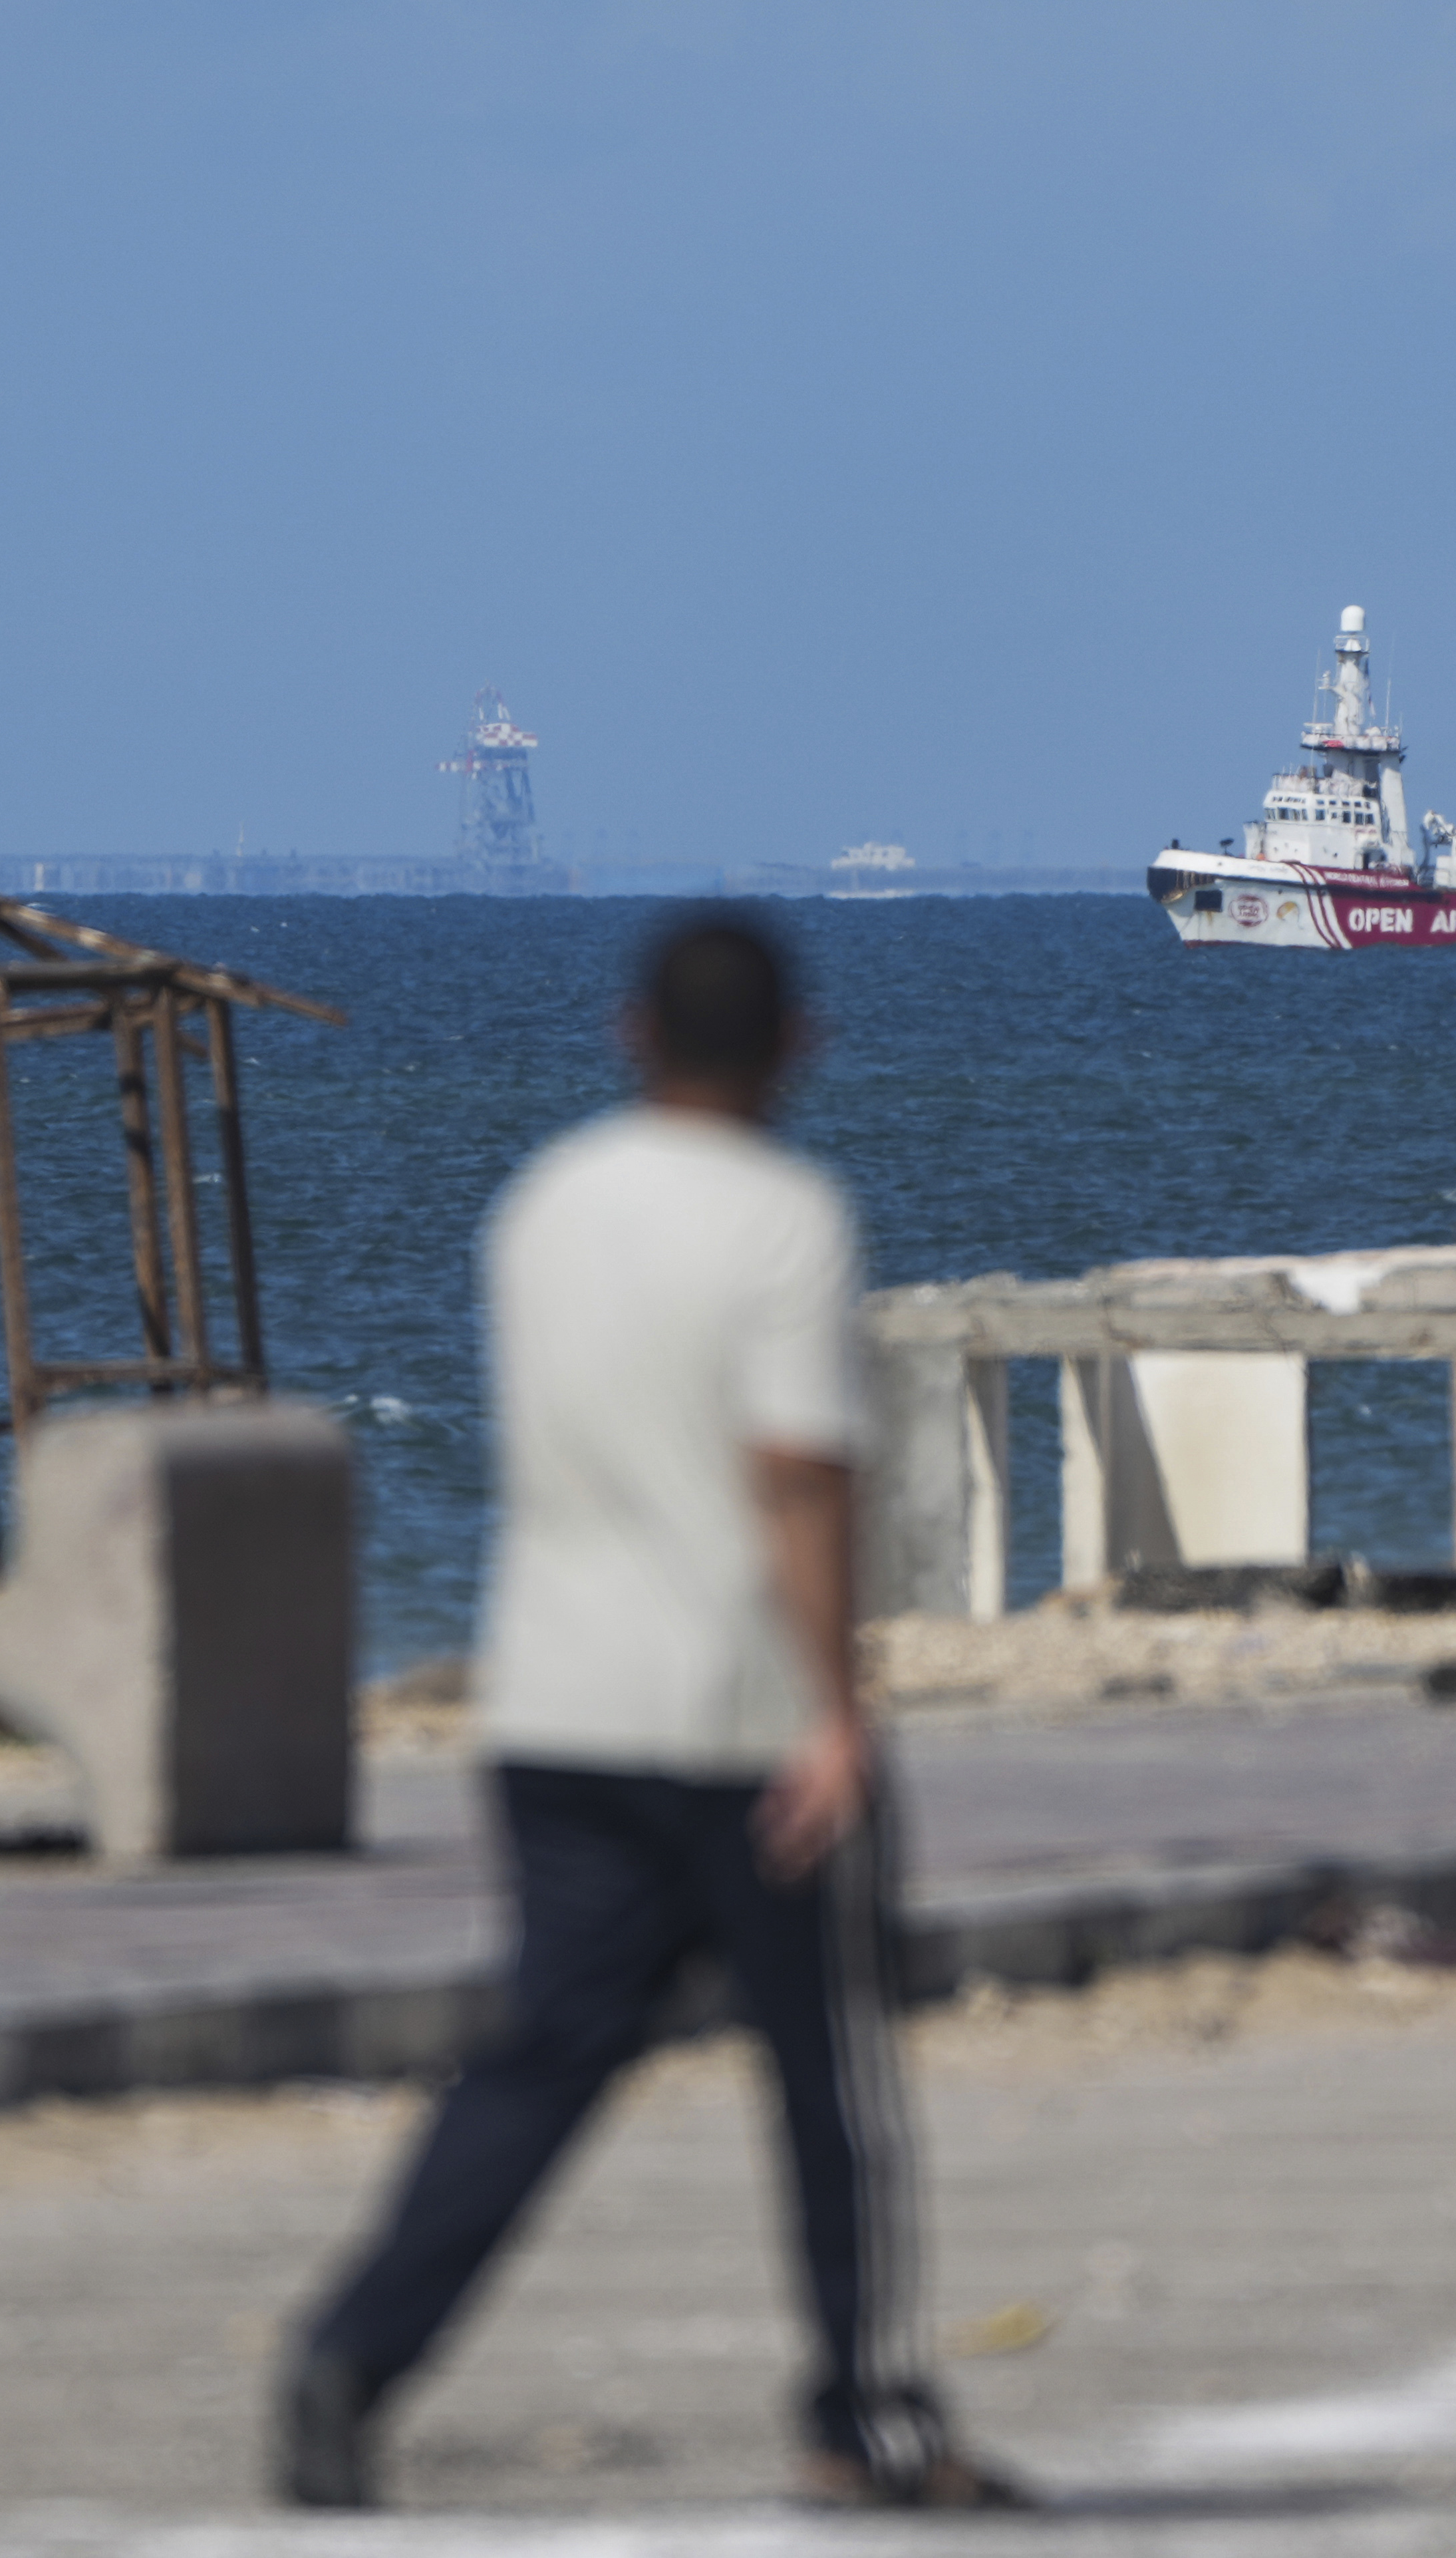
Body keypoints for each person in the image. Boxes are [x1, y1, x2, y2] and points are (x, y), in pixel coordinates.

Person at [278, 907, 1018, 2513]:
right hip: (736, 1716)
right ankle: (855, 2406)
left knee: (542, 2059)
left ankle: (351, 2358)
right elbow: (797, 1474)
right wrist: (842, 1708)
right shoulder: (784, 1218)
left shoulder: (542, 1205)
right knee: (825, 2078)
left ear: (632, 1033)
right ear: (795, 1043)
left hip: (553, 1697)